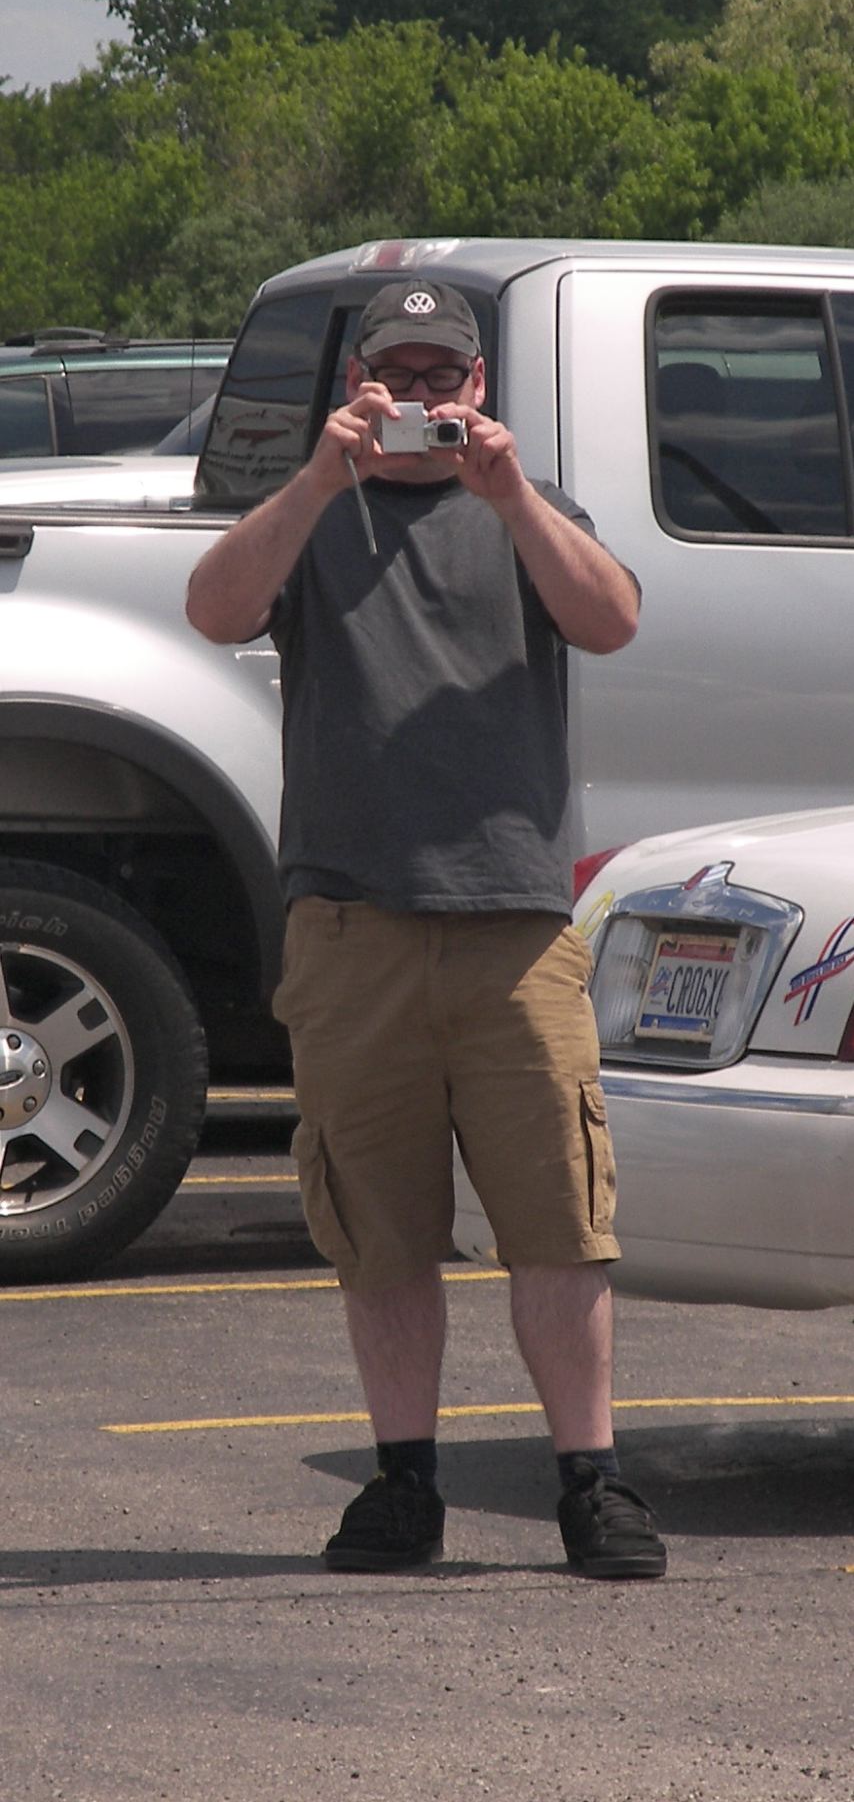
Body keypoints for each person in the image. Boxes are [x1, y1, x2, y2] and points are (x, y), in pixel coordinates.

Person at [186, 278, 667, 1581]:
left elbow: (612, 620)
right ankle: (403, 1486)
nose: (416, 399)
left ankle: (591, 1484)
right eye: (393, 376)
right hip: (353, 927)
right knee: (381, 1230)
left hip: (514, 927)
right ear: (356, 384)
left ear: (479, 386)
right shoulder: (312, 516)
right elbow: (214, 611)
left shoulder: (528, 509)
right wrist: (316, 479)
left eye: (439, 377)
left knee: (559, 1224)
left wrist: (508, 496)